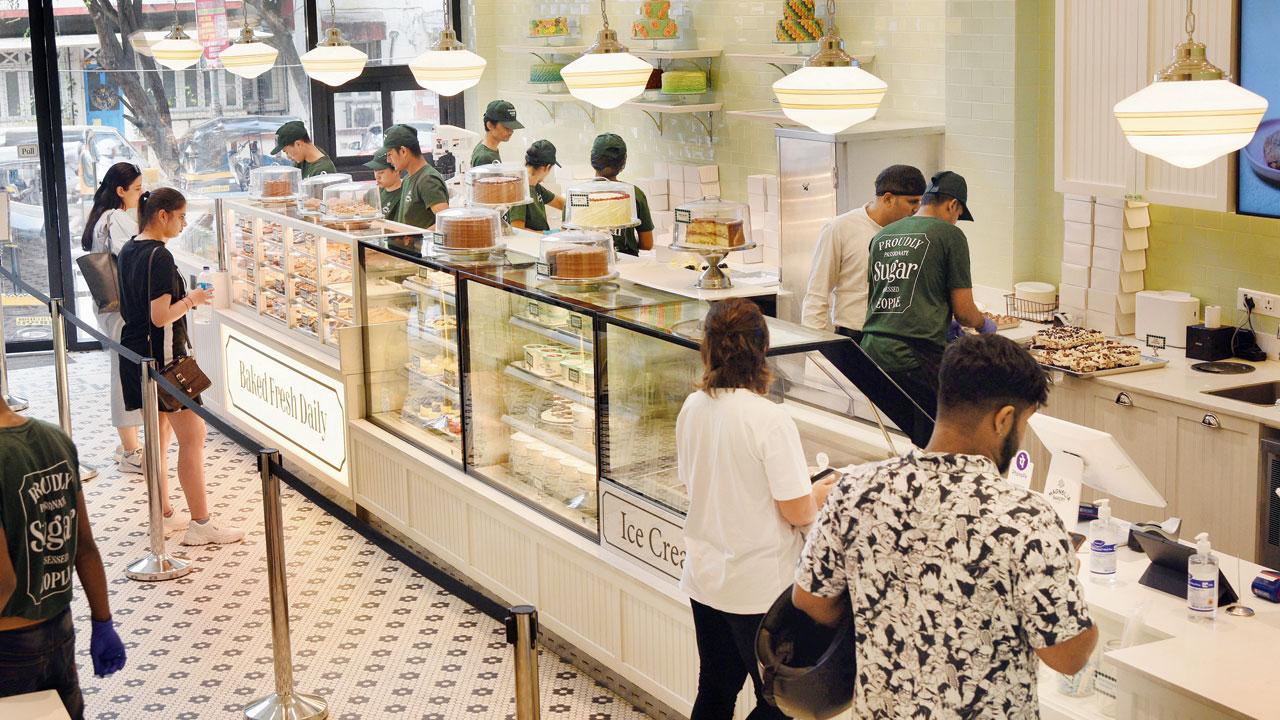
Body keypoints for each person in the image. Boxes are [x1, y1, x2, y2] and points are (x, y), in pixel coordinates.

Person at [792, 334, 1098, 719]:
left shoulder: (856, 489)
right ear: (1003, 419)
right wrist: (1064, 579)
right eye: (1022, 424)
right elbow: (1068, 656)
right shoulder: (1026, 518)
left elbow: (810, 600)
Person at [677, 298, 835, 720]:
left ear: (707, 348)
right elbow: (797, 511)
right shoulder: (769, 419)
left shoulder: (693, 407)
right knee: (781, 705)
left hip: (706, 578)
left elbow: (694, 482)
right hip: (758, 591)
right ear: (761, 350)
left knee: (716, 688)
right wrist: (820, 493)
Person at [117, 188, 244, 546]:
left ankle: (164, 513)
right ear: (163, 216)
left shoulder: (130, 247)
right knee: (194, 437)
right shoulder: (159, 256)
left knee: (157, 440)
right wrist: (193, 299)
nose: (184, 223)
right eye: (181, 216)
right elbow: (160, 317)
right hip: (165, 362)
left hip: (135, 356)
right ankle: (201, 524)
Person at [0, 393, 126, 718]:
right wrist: (103, 622)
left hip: (8, 645)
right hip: (59, 630)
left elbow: (3, 581)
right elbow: (85, 546)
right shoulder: (54, 438)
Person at [859, 170, 995, 447]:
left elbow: (884, 294)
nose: (956, 219)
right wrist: (985, 326)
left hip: (870, 352)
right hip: (915, 357)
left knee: (894, 439)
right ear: (952, 205)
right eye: (958, 213)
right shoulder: (950, 236)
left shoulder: (883, 236)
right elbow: (965, 311)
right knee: (940, 440)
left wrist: (940, 320)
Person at [800, 165, 926, 339]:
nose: (917, 209)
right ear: (888, 199)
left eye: (920, 201)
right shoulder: (840, 228)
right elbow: (817, 294)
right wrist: (814, 348)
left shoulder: (915, 232)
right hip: (854, 336)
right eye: (912, 202)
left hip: (898, 339)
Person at [80, 162, 145, 473]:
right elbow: (131, 257)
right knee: (124, 377)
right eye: (136, 189)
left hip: (107, 305)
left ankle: (127, 443)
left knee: (122, 372)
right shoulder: (117, 218)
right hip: (121, 308)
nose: (140, 194)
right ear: (121, 191)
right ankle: (132, 452)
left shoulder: (100, 217)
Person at [590, 133, 654, 255]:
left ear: (593, 160)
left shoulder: (578, 194)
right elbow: (647, 244)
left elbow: (569, 238)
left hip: (588, 262)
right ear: (622, 163)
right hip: (626, 266)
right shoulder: (634, 194)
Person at [383, 124, 450, 230]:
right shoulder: (406, 179)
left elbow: (447, 222)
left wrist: (417, 237)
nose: (388, 160)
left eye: (390, 154)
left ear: (403, 151)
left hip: (422, 246)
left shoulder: (428, 179)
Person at [509, 139, 565, 232]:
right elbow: (518, 231)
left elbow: (561, 203)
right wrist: (550, 234)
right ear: (547, 167)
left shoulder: (535, 186)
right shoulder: (519, 190)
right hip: (528, 244)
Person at [471, 100, 524, 167]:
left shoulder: (488, 148)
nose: (511, 132)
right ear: (490, 125)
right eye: (506, 127)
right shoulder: (484, 158)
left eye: (512, 127)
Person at [365, 148, 403, 220]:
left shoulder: (404, 194)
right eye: (375, 171)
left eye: (381, 172)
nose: (377, 177)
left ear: (396, 171)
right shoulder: (376, 192)